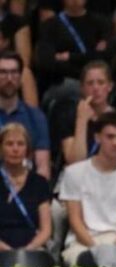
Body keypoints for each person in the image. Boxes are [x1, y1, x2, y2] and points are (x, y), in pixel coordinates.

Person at [60, 111, 116, 267]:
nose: (115, 142)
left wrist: (113, 251)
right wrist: (97, 251)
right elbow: (75, 219)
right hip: (82, 243)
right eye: (109, 137)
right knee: (89, 262)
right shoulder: (74, 172)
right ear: (97, 137)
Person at [61, 60, 116, 166]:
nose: (96, 88)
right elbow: (75, 162)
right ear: (82, 88)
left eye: (101, 82)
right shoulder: (69, 116)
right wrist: (81, 120)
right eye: (90, 83)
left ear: (110, 86)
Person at [36, 0, 115, 96]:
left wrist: (70, 57)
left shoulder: (102, 23)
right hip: (65, 82)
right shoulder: (50, 26)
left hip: (97, 78)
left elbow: (106, 56)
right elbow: (46, 63)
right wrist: (90, 57)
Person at [0, 123, 51, 251]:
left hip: (32, 247)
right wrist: (7, 251)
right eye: (9, 144)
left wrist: (28, 250)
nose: (15, 149)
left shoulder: (39, 183)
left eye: (20, 144)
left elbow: (46, 229)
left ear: (27, 150)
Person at [0, 51, 50, 180]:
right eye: (3, 72)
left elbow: (43, 167)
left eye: (14, 72)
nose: (9, 78)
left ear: (21, 77)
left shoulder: (36, 117)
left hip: (25, 189)